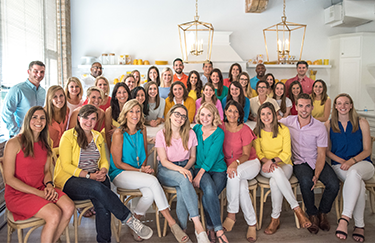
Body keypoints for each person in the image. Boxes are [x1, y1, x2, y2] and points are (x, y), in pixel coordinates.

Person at [54, 104, 153, 242]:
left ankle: (104, 240)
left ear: (96, 121)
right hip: (70, 180)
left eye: (93, 119)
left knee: (102, 202)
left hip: (94, 177)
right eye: (86, 118)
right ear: (78, 118)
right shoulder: (68, 136)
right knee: (97, 188)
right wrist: (89, 176)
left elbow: (104, 161)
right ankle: (129, 219)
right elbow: (66, 166)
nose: (89, 122)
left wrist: (103, 171)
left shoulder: (97, 136)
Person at [110, 100, 190, 243]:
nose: (135, 114)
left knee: (149, 193)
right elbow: (117, 163)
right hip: (119, 173)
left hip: (137, 172)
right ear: (126, 114)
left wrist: (144, 168)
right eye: (131, 111)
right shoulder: (118, 133)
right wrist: (139, 170)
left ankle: (135, 224)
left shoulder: (142, 130)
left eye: (138, 111)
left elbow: (144, 154)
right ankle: (173, 224)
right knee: (153, 181)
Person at [3, 106, 75, 243]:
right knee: (54, 214)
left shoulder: (47, 143)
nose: (38, 121)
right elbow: (9, 179)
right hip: (18, 194)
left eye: (42, 118)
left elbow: (47, 171)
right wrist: (38, 193)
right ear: (27, 120)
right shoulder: (13, 143)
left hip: (41, 189)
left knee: (69, 206)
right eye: (34, 117)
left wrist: (49, 185)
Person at [279, 93, 340, 235]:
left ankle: (322, 213)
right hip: (300, 162)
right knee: (306, 183)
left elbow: (321, 154)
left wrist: (317, 174)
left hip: (316, 159)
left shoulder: (319, 127)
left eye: (307, 106)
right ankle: (311, 214)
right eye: (301, 106)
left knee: (333, 184)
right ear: (296, 107)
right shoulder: (288, 121)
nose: (304, 109)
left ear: (312, 107)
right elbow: (272, 122)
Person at [253, 102, 311, 235]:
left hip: (285, 164)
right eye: (263, 114)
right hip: (265, 166)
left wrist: (273, 161)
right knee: (275, 172)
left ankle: (275, 219)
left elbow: (286, 153)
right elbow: (259, 153)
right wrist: (267, 162)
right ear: (259, 116)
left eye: (269, 113)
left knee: (275, 181)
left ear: (274, 114)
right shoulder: (257, 132)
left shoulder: (283, 129)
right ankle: (297, 209)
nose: (266, 116)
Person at [155, 104, 210, 243]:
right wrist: (181, 170)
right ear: (171, 115)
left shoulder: (190, 133)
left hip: (186, 166)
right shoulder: (161, 134)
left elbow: (193, 158)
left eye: (183, 116)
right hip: (166, 170)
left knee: (181, 190)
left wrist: (185, 168)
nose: (180, 118)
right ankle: (198, 226)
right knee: (184, 179)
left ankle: (182, 229)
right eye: (177, 114)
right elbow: (164, 160)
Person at [325, 94, 374, 242]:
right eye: (339, 103)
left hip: (364, 164)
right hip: (340, 166)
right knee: (357, 181)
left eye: (346, 103)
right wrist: (342, 161)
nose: (343, 106)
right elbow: (327, 151)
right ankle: (359, 225)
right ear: (335, 106)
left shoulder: (362, 122)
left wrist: (352, 161)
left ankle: (344, 218)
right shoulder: (329, 124)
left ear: (351, 105)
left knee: (355, 173)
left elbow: (367, 150)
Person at [220, 100, 260, 243]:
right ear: (225, 112)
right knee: (242, 188)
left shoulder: (245, 129)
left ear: (240, 114)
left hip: (250, 163)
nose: (232, 114)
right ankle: (252, 224)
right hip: (233, 168)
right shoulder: (220, 127)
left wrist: (234, 164)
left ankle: (231, 215)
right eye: (230, 111)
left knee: (233, 175)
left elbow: (245, 154)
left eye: (236, 111)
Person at [193, 103, 229, 243]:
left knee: (208, 195)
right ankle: (218, 229)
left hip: (218, 169)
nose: (205, 118)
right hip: (199, 168)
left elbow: (212, 156)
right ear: (198, 115)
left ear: (214, 116)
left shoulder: (219, 132)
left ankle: (209, 227)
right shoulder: (195, 129)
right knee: (209, 190)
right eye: (202, 114)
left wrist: (199, 175)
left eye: (209, 115)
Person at [2, 60, 46, 137]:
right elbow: (6, 113)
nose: (39, 74)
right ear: (29, 72)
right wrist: (17, 132)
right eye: (36, 71)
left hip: (36, 134)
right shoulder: (17, 89)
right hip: (20, 135)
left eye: (42, 72)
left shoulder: (43, 92)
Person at [105, 82, 131, 150]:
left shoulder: (133, 109)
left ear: (128, 94)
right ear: (115, 95)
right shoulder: (109, 111)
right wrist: (110, 151)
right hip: (114, 146)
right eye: (119, 92)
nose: (122, 95)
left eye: (124, 92)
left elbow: (136, 130)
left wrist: (119, 130)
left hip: (130, 144)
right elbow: (108, 134)